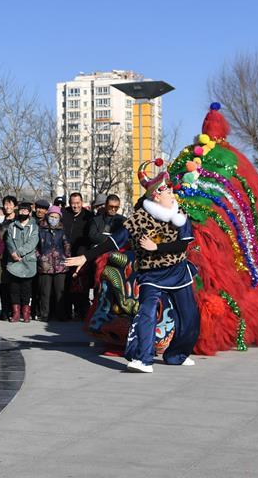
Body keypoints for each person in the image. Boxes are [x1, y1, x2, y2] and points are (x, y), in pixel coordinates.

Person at [66, 159, 200, 373]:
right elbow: (113, 242)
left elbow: (184, 244)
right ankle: (143, 359)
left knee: (190, 316)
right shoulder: (138, 219)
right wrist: (86, 257)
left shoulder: (180, 216)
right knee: (146, 313)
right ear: (156, 195)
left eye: (171, 191)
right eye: (167, 192)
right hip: (151, 275)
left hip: (178, 272)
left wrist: (157, 247)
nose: (172, 194)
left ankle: (177, 355)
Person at [4, 202, 38, 322]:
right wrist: (13, 253)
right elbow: (9, 240)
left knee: (26, 289)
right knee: (14, 289)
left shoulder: (34, 227)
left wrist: (19, 253)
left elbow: (32, 243)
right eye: (21, 210)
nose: (23, 212)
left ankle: (26, 312)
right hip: (13, 262)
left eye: (25, 211)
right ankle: (16, 313)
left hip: (28, 262)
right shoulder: (12, 226)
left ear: (29, 213)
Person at [37, 205, 71, 321]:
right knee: (45, 292)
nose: (54, 219)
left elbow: (67, 245)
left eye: (56, 217)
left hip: (60, 265)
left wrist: (66, 258)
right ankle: (45, 314)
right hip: (45, 265)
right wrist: (40, 258)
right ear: (47, 216)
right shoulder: (41, 229)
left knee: (60, 291)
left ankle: (60, 314)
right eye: (52, 216)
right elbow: (36, 247)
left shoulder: (62, 230)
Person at [63, 192, 93, 321]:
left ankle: (82, 312)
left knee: (81, 286)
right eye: (72, 203)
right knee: (66, 285)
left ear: (82, 203)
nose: (75, 206)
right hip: (65, 254)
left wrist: (84, 254)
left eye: (77, 203)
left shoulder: (89, 216)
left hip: (81, 255)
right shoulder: (64, 214)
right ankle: (66, 312)